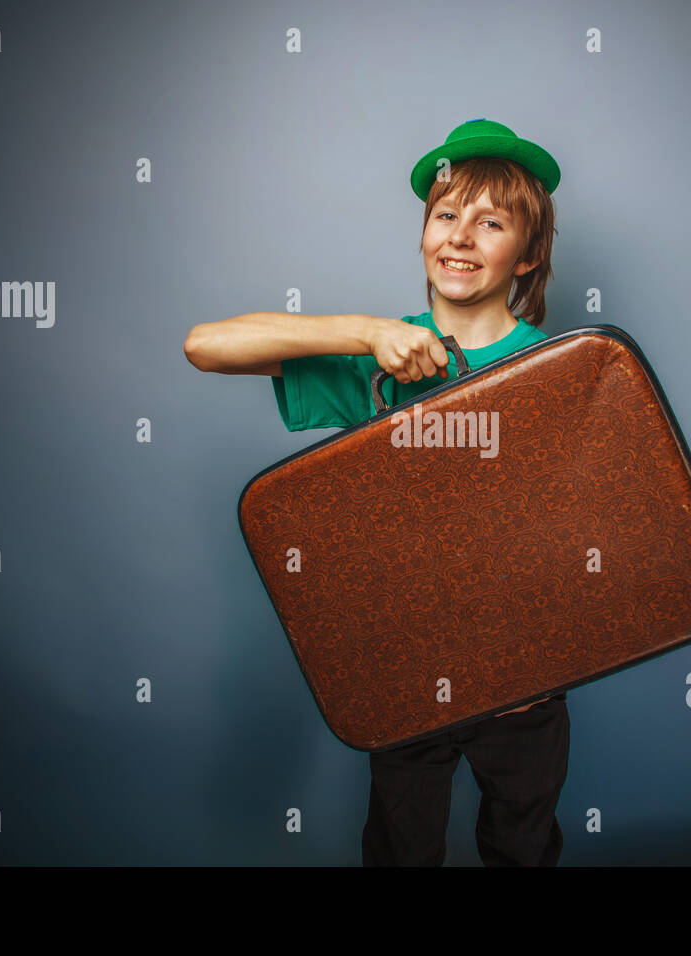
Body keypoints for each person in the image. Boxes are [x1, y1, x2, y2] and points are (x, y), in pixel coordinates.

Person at [184, 119, 571, 866]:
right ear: (424, 232)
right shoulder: (377, 361)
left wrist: (549, 653)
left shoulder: (561, 367)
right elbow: (205, 345)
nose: (461, 236)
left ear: (527, 254)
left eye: (491, 222)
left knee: (523, 851)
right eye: (446, 214)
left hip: (525, 680)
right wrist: (366, 332)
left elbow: (591, 520)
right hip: (403, 669)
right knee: (400, 852)